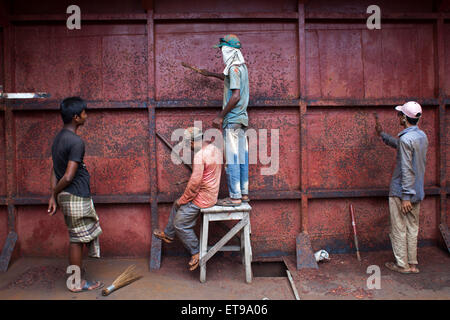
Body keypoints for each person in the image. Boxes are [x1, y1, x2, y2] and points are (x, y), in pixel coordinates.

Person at [183, 34, 249, 206]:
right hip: (241, 119)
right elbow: (228, 78)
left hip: (232, 119)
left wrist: (220, 116)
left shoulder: (234, 68)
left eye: (222, 50)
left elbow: (235, 96)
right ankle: (243, 194)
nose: (221, 53)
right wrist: (210, 74)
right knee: (241, 158)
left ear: (228, 50)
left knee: (232, 159)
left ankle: (235, 197)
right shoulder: (241, 68)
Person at [47, 97, 103, 292]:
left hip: (67, 195)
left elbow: (55, 170)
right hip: (75, 195)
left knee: (76, 237)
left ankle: (75, 273)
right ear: (76, 117)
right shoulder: (76, 141)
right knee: (77, 240)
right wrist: (54, 192)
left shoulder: (58, 138)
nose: (86, 116)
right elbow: (69, 176)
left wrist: (53, 196)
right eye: (84, 113)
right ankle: (76, 282)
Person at [153, 127, 222, 271]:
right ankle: (169, 235)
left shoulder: (199, 155)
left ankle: (196, 252)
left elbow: (195, 184)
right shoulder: (214, 149)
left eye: (187, 144)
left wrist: (184, 199)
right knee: (176, 204)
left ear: (192, 142)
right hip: (212, 193)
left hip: (204, 198)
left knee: (180, 223)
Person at [375, 101, 428, 274]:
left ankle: (401, 265)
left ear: (404, 118)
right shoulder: (421, 137)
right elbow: (400, 146)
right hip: (417, 191)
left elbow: (407, 168)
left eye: (400, 114)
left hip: (402, 192)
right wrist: (382, 135)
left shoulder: (406, 139)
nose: (398, 116)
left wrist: (405, 196)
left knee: (398, 228)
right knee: (413, 228)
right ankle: (412, 264)